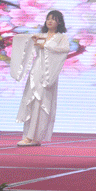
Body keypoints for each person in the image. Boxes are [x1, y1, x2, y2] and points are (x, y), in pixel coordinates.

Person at [10, 10, 70, 146]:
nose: (50, 21)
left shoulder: (61, 37)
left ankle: (35, 137)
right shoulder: (40, 35)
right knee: (32, 100)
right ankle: (28, 136)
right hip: (36, 70)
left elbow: (65, 50)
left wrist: (46, 46)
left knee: (42, 102)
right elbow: (24, 41)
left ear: (59, 22)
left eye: (53, 19)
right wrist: (31, 40)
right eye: (48, 18)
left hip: (48, 73)